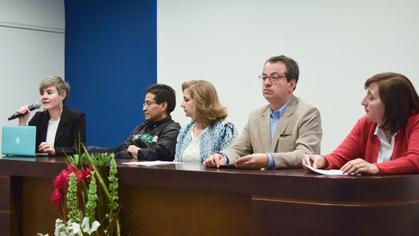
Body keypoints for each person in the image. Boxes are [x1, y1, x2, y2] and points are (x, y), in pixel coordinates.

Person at [204, 55, 322, 169]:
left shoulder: (308, 113)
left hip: (293, 185)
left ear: (291, 84)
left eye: (274, 77)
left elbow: (306, 154)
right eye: (264, 77)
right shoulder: (255, 116)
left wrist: (268, 159)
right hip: (259, 185)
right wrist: (222, 156)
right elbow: (238, 149)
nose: (266, 83)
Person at [303, 72, 419, 175]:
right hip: (374, 195)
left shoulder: (416, 121)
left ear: (392, 104)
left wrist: (376, 168)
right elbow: (341, 157)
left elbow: (416, 159)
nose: (363, 102)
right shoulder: (366, 124)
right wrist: (323, 160)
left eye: (371, 98)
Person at [17, 75, 86, 156]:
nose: (44, 97)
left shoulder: (76, 118)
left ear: (62, 95)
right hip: (38, 166)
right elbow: (25, 146)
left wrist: (55, 150)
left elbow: (79, 149)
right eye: (42, 93)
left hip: (64, 166)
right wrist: (22, 122)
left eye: (49, 93)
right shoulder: (38, 117)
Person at [175, 80, 238, 162]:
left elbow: (229, 163)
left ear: (201, 101)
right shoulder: (185, 130)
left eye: (186, 100)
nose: (182, 105)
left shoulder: (225, 130)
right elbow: (176, 163)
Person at [116, 84, 180, 161]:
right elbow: (120, 151)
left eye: (148, 103)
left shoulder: (173, 129)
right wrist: (139, 153)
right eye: (144, 104)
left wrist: (138, 152)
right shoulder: (141, 127)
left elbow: (160, 154)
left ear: (163, 106)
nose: (144, 108)